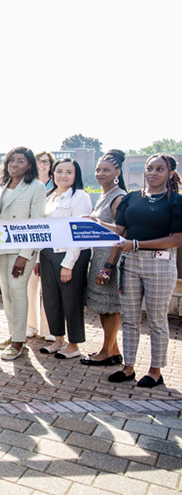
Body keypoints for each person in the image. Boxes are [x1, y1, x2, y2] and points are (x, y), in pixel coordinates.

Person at [98, 154, 182, 388]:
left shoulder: (176, 201)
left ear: (170, 174)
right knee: (130, 319)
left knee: (156, 320)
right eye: (149, 168)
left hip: (160, 265)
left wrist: (136, 244)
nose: (153, 173)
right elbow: (121, 230)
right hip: (131, 264)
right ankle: (128, 367)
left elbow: (176, 239)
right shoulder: (132, 198)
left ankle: (155, 371)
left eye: (160, 169)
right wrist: (96, 223)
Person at [36, 159, 92, 360]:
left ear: (76, 175)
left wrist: (68, 264)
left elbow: (78, 233)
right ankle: (58, 339)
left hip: (71, 255)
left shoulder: (80, 197)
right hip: (48, 254)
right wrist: (37, 258)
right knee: (51, 299)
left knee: (71, 301)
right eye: (59, 171)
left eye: (69, 172)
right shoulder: (49, 196)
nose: (63, 175)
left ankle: (74, 344)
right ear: (53, 173)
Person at [0, 147, 46, 361]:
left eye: (20, 161)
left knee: (17, 291)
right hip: (1, 247)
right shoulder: (1, 186)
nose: (14, 164)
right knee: (6, 293)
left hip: (22, 249)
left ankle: (19, 341)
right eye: (11, 160)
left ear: (29, 165)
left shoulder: (36, 187)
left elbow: (36, 222)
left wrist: (25, 255)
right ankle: (13, 333)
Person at [81, 150, 127, 367]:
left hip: (110, 259)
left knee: (111, 308)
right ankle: (113, 350)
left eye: (106, 170)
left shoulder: (119, 197)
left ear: (117, 172)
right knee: (102, 307)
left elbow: (121, 232)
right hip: (98, 257)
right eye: (98, 169)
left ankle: (106, 352)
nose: (100, 173)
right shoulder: (103, 195)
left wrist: (109, 266)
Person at [26, 150, 57, 339]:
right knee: (30, 288)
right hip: (30, 245)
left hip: (51, 246)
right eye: (39, 161)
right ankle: (31, 326)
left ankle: (49, 329)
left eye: (46, 161)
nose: (42, 165)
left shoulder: (58, 186)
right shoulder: (28, 186)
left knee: (50, 291)